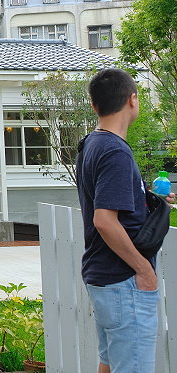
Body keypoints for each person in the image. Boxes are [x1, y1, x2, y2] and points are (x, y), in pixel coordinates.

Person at [77, 68, 175, 373]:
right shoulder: (115, 151)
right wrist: (144, 269)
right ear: (133, 100)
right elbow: (105, 220)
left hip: (104, 275)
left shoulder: (91, 144)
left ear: (95, 105)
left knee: (109, 363)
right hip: (124, 281)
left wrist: (149, 200)